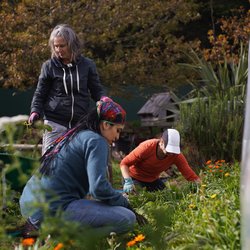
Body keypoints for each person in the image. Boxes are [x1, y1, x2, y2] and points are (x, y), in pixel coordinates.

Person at [19, 97, 147, 239]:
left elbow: (91, 190)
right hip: (50, 211)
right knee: (127, 219)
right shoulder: (97, 141)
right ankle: (60, 238)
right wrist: (126, 204)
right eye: (117, 130)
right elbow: (98, 189)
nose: (117, 137)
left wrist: (114, 195)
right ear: (105, 125)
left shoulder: (77, 135)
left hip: (29, 205)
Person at [27, 24, 105, 154]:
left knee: (76, 163)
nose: (58, 50)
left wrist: (104, 99)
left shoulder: (88, 65)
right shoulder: (49, 67)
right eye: (55, 46)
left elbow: (97, 90)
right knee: (49, 163)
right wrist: (35, 111)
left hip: (80, 124)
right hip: (54, 123)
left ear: (72, 45)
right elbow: (40, 93)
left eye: (62, 46)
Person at [120, 129, 201, 192]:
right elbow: (124, 163)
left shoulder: (176, 155)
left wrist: (203, 188)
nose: (171, 153)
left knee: (167, 197)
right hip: (133, 178)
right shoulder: (147, 147)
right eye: (169, 149)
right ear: (161, 142)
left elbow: (190, 175)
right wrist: (128, 181)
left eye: (173, 150)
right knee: (137, 200)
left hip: (152, 180)